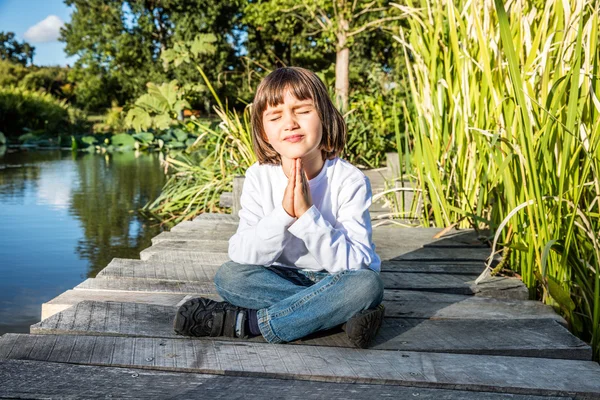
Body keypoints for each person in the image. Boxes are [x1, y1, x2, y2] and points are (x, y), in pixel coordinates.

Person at [173, 67, 384, 348]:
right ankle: (338, 315)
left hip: (337, 279)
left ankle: (247, 323)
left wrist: (308, 216)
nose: (290, 123)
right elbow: (241, 253)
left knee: (366, 286)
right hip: (279, 277)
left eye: (303, 110)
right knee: (230, 276)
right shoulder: (258, 177)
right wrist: (284, 214)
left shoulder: (349, 180)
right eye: (276, 116)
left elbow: (360, 262)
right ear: (264, 131)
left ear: (325, 116)